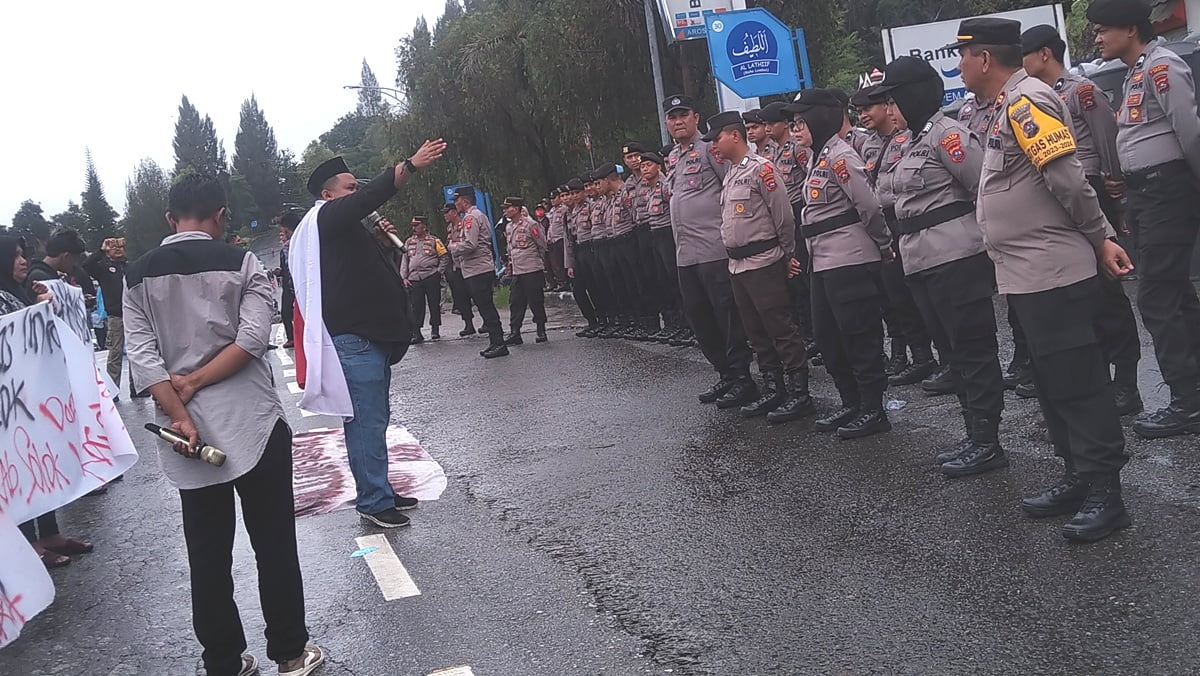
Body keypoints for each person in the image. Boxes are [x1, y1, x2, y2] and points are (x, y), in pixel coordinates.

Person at [124, 174, 324, 676]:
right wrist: (199, 380)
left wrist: (179, 409)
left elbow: (142, 357)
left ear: (170, 218)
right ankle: (290, 653)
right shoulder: (243, 262)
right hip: (253, 421)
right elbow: (253, 339)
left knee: (207, 552)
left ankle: (222, 660)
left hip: (185, 434)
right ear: (220, 215)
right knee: (274, 542)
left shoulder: (137, 276)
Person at [958, 17, 1134, 541]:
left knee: (1078, 382)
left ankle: (1106, 492)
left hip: (1054, 270)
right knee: (1053, 384)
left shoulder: (1027, 101)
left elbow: (1069, 181)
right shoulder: (1003, 107)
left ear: (984, 59)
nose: (959, 65)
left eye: (963, 55)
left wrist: (1100, 237)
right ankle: (1078, 476)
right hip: (1026, 275)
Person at [291, 147, 444, 528]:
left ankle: (380, 489)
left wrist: (383, 243)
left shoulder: (343, 228)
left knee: (374, 421)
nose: (356, 192)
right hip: (355, 340)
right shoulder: (325, 217)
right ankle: (374, 501)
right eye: (349, 187)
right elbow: (369, 197)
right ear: (327, 194)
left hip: (369, 337)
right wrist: (408, 167)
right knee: (365, 423)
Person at [876, 56, 1008, 476]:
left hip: (956, 258)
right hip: (921, 260)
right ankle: (973, 433)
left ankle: (988, 440)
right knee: (951, 353)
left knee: (973, 349)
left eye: (893, 99)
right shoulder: (912, 141)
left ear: (912, 96)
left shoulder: (948, 135)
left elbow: (984, 188)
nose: (889, 109)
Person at [1089, 0, 1200, 438]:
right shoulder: (1137, 71)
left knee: (1156, 297)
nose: (1097, 38)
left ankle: (1186, 401)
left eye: (1103, 30)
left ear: (1130, 30)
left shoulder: (1162, 66)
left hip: (1166, 191)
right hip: (1145, 193)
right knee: (1175, 294)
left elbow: (1190, 132)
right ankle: (1194, 390)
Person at [1021, 23, 1145, 416]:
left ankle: (1126, 380)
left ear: (1044, 54)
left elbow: (1107, 136)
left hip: (1089, 188)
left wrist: (1115, 187)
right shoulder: (1029, 98)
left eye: (1024, 54)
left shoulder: (1080, 91)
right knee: (1082, 292)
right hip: (1058, 198)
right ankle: (1099, 379)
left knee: (1107, 289)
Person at [787, 88, 893, 439]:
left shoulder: (841, 156)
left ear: (818, 119)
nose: (795, 129)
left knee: (859, 334)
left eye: (800, 122)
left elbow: (870, 207)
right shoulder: (817, 157)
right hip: (822, 261)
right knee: (828, 337)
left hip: (849, 259)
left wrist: (883, 246)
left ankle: (873, 408)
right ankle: (851, 401)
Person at [706, 111, 816, 424]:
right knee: (755, 331)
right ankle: (773, 386)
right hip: (738, 264)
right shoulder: (731, 172)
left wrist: (787, 254)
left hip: (764, 261)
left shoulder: (761, 169)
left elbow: (783, 216)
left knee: (779, 327)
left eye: (717, 138)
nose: (713, 145)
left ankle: (799, 392)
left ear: (734, 135)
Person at [1, 235, 94, 570]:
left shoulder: (18, 291)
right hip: (13, 404)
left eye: (23, 254)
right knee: (23, 470)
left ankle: (51, 533)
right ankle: (31, 543)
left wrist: (41, 304)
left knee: (43, 464)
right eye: (15, 256)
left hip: (33, 395)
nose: (23, 261)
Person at [663, 94, 757, 408]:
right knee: (700, 319)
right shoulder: (673, 157)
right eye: (672, 117)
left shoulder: (709, 149)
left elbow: (731, 187)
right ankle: (725, 374)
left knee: (726, 317)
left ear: (696, 117)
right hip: (686, 254)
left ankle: (742, 378)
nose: (678, 121)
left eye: (683, 115)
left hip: (714, 251)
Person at [852, 86, 939, 388]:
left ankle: (936, 356)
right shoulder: (868, 144)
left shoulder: (908, 137)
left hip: (906, 217)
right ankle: (914, 354)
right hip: (883, 221)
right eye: (859, 111)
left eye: (869, 108)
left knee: (918, 292)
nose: (864, 116)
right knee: (894, 296)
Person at [450, 186, 508, 358]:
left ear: (465, 201)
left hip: (478, 269)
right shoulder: (475, 216)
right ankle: (495, 342)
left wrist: (453, 247)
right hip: (477, 268)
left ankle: (499, 343)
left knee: (486, 307)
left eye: (457, 200)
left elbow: (470, 244)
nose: (455, 204)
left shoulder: (471, 218)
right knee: (484, 307)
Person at [635, 152, 684, 343]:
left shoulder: (665, 185)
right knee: (662, 280)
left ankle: (686, 324)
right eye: (642, 166)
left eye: (648, 165)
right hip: (653, 234)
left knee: (674, 279)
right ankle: (673, 323)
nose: (644, 169)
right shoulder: (648, 188)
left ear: (658, 167)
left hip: (667, 233)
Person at [83, 236, 134, 397]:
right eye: (113, 247)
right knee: (115, 353)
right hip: (115, 316)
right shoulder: (104, 268)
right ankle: (113, 390)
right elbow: (86, 266)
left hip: (133, 314)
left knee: (136, 352)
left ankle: (138, 388)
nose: (117, 249)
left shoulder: (130, 267)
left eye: (120, 246)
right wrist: (101, 251)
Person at [500, 197, 550, 344]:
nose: (505, 211)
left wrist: (537, 260)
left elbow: (542, 244)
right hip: (517, 271)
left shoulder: (530, 224)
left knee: (536, 301)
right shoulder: (509, 227)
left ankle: (541, 329)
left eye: (507, 208)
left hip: (531, 269)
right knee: (515, 302)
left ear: (516, 209)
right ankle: (515, 332)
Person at [562, 178, 602, 336]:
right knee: (578, 290)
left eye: (577, 192)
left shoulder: (591, 206)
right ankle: (591, 320)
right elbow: (568, 240)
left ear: (584, 192)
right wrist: (569, 264)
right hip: (577, 251)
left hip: (590, 248)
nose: (574, 196)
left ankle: (603, 319)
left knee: (595, 287)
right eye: (571, 193)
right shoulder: (568, 213)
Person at [401, 215, 449, 344]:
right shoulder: (409, 242)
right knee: (416, 306)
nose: (414, 228)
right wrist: (403, 277)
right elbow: (405, 260)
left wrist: (439, 272)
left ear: (424, 226)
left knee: (434, 304)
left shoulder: (434, 241)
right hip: (414, 278)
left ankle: (435, 329)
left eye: (417, 225)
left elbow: (444, 257)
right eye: (413, 226)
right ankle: (417, 333)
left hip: (430, 275)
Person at [441, 203, 478, 336]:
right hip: (456, 266)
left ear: (454, 212)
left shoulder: (464, 224)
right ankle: (468, 323)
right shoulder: (450, 228)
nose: (445, 215)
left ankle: (486, 322)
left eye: (447, 212)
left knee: (476, 294)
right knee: (461, 297)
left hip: (468, 265)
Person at [276, 212, 300, 349]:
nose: (282, 236)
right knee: (286, 311)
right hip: (289, 285)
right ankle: (292, 337)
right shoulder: (284, 251)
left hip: (295, 284)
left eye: (283, 233)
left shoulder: (295, 245)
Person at [546, 187, 571, 291]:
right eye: (551, 198)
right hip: (553, 240)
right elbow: (551, 225)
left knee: (563, 261)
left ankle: (567, 282)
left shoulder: (564, 209)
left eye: (554, 198)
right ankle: (561, 282)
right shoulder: (552, 211)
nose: (552, 200)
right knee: (555, 263)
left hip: (561, 238)